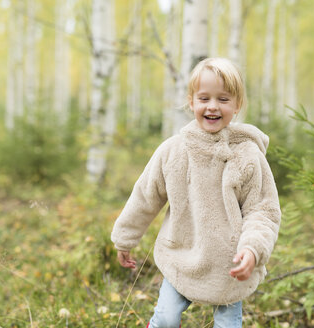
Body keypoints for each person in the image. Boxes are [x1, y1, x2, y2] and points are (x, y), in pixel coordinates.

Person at [111, 57, 281, 328]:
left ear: (237, 105)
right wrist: (125, 238)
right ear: (191, 102)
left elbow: (263, 210)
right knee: (165, 319)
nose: (213, 106)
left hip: (230, 264)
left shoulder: (246, 155)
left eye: (223, 99)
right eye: (204, 98)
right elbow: (146, 195)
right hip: (181, 255)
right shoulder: (173, 151)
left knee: (227, 325)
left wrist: (252, 249)